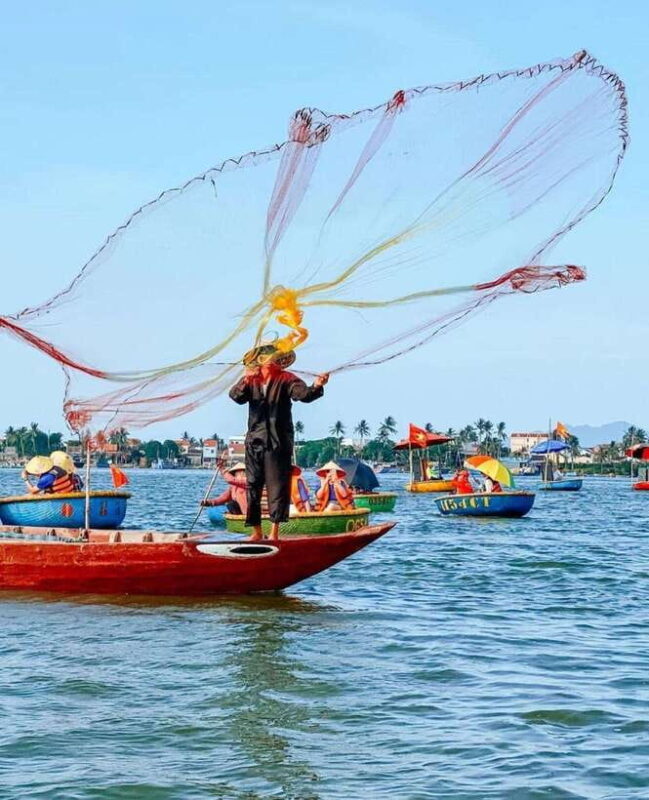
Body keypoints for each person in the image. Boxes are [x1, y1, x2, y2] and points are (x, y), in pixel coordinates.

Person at [229, 343, 328, 541]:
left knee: (277, 487)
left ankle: (274, 533)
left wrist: (317, 385)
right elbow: (235, 396)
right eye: (267, 356)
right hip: (255, 441)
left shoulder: (287, 378)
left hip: (278, 442)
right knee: (253, 486)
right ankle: (256, 532)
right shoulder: (250, 379)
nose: (271, 360)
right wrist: (245, 380)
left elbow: (304, 395)